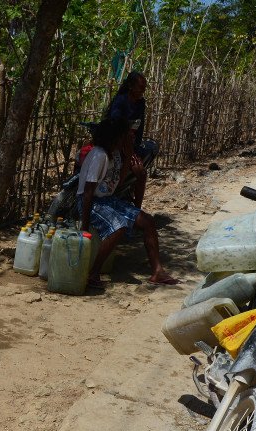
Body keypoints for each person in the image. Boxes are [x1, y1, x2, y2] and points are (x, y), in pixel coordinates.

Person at [76, 118, 181, 289]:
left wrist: (128, 154)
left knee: (147, 220)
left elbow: (118, 180)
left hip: (106, 199)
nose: (128, 138)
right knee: (119, 226)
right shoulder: (99, 155)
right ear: (115, 137)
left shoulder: (115, 154)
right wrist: (84, 227)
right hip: (91, 201)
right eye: (125, 136)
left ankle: (157, 272)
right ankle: (94, 274)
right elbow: (88, 192)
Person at [104, 71, 159, 206]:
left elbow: (140, 125)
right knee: (141, 174)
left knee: (140, 171)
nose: (143, 90)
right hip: (118, 143)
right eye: (141, 87)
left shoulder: (140, 103)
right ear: (130, 86)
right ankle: (137, 209)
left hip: (131, 143)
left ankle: (136, 207)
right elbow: (114, 122)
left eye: (144, 87)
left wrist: (135, 143)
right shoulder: (121, 101)